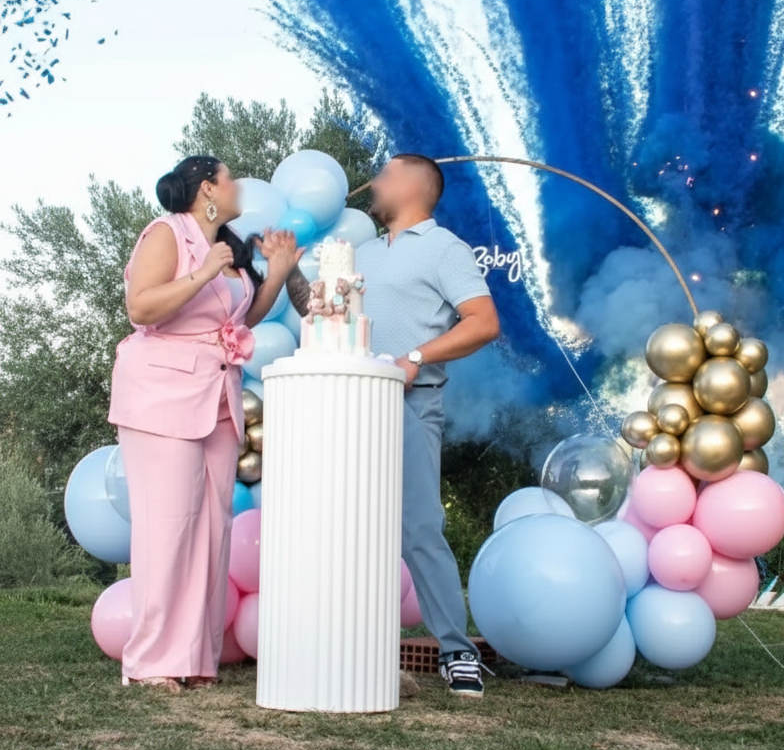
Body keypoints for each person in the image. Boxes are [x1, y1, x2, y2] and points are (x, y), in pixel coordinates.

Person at [288, 153, 500, 697]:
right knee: (339, 527)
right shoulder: (356, 254)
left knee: (419, 528)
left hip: (409, 404)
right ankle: (339, 645)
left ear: (411, 184)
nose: (374, 183)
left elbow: (484, 322)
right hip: (344, 406)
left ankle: (458, 654)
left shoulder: (444, 247)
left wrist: (414, 356)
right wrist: (286, 265)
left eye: (384, 174)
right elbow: (316, 314)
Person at [108, 155, 301, 693]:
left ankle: (195, 659)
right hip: (161, 395)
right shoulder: (166, 234)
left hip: (218, 396)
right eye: (230, 177)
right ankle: (149, 663)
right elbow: (141, 308)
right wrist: (201, 272)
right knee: (167, 529)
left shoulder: (230, 249)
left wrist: (279, 273)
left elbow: (240, 317)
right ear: (205, 189)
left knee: (210, 531)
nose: (238, 184)